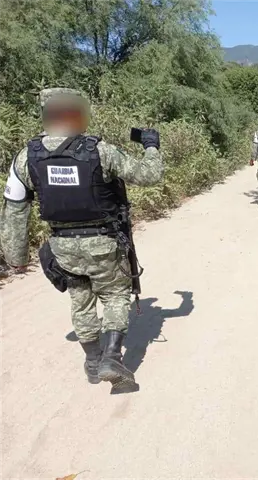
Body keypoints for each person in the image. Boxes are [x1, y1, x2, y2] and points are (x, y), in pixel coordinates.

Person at [0, 88, 163, 392]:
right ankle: (112, 358)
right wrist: (151, 146)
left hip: (63, 248)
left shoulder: (25, 157)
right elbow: (149, 175)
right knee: (115, 295)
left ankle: (92, 361)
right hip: (104, 243)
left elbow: (14, 210)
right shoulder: (99, 151)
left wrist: (16, 258)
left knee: (81, 300)